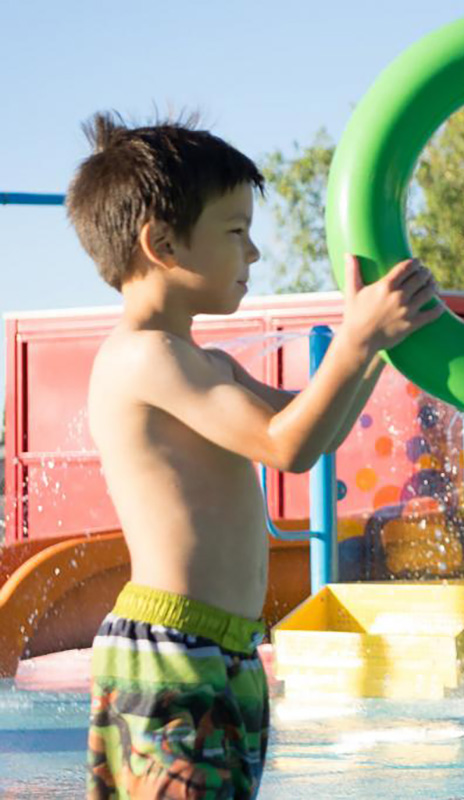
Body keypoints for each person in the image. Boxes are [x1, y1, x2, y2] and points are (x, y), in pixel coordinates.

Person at [65, 112, 442, 799]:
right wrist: (357, 343)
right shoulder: (144, 358)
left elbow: (312, 427)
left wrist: (379, 347)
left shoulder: (202, 362)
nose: (255, 254)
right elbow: (287, 447)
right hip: (170, 649)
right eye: (236, 232)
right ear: (162, 243)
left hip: (224, 650)